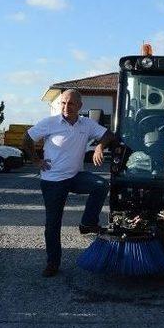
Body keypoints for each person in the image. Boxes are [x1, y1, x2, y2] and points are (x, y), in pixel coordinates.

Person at [24, 89, 116, 277]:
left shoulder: (87, 123)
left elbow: (108, 135)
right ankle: (53, 263)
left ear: (80, 106)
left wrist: (99, 146)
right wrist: (36, 160)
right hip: (53, 181)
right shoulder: (49, 123)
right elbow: (27, 139)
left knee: (101, 184)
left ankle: (88, 223)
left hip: (75, 176)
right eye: (63, 103)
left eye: (71, 103)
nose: (66, 107)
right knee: (53, 223)